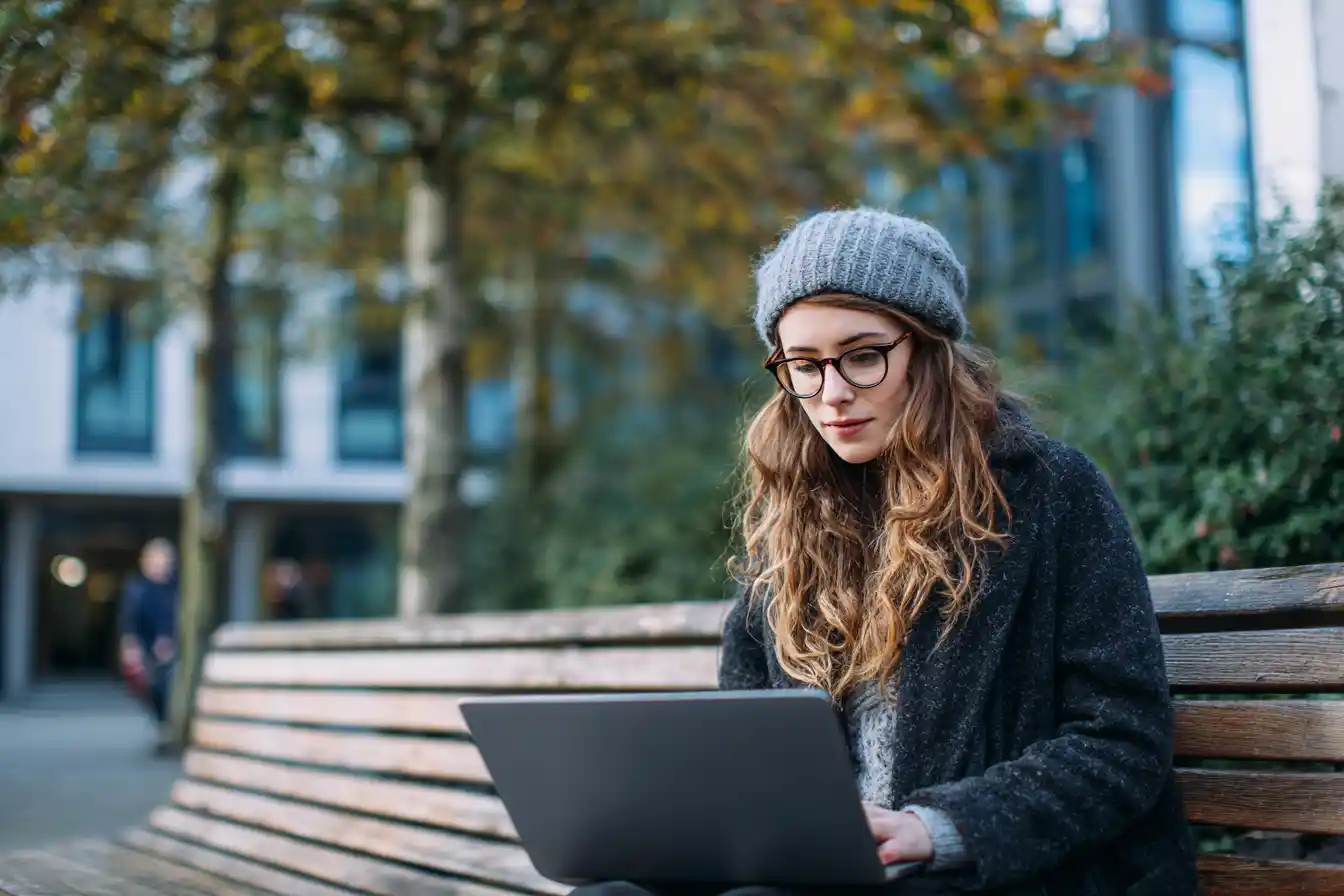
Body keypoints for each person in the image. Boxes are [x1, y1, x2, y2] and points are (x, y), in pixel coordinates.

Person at [573, 209, 1199, 895]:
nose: (832, 393)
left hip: (1001, 873)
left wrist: (938, 827)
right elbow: (751, 738)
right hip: (828, 870)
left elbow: (1121, 740)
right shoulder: (795, 520)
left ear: (927, 349)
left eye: (863, 355)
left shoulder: (1049, 492)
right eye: (803, 366)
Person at [118, 537, 179, 751]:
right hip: (149, 652)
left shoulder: (177, 590)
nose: (163, 564)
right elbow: (130, 622)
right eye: (159, 559)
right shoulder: (137, 590)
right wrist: (131, 648)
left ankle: (169, 729)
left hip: (174, 652)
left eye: (167, 560)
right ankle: (164, 727)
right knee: (154, 688)